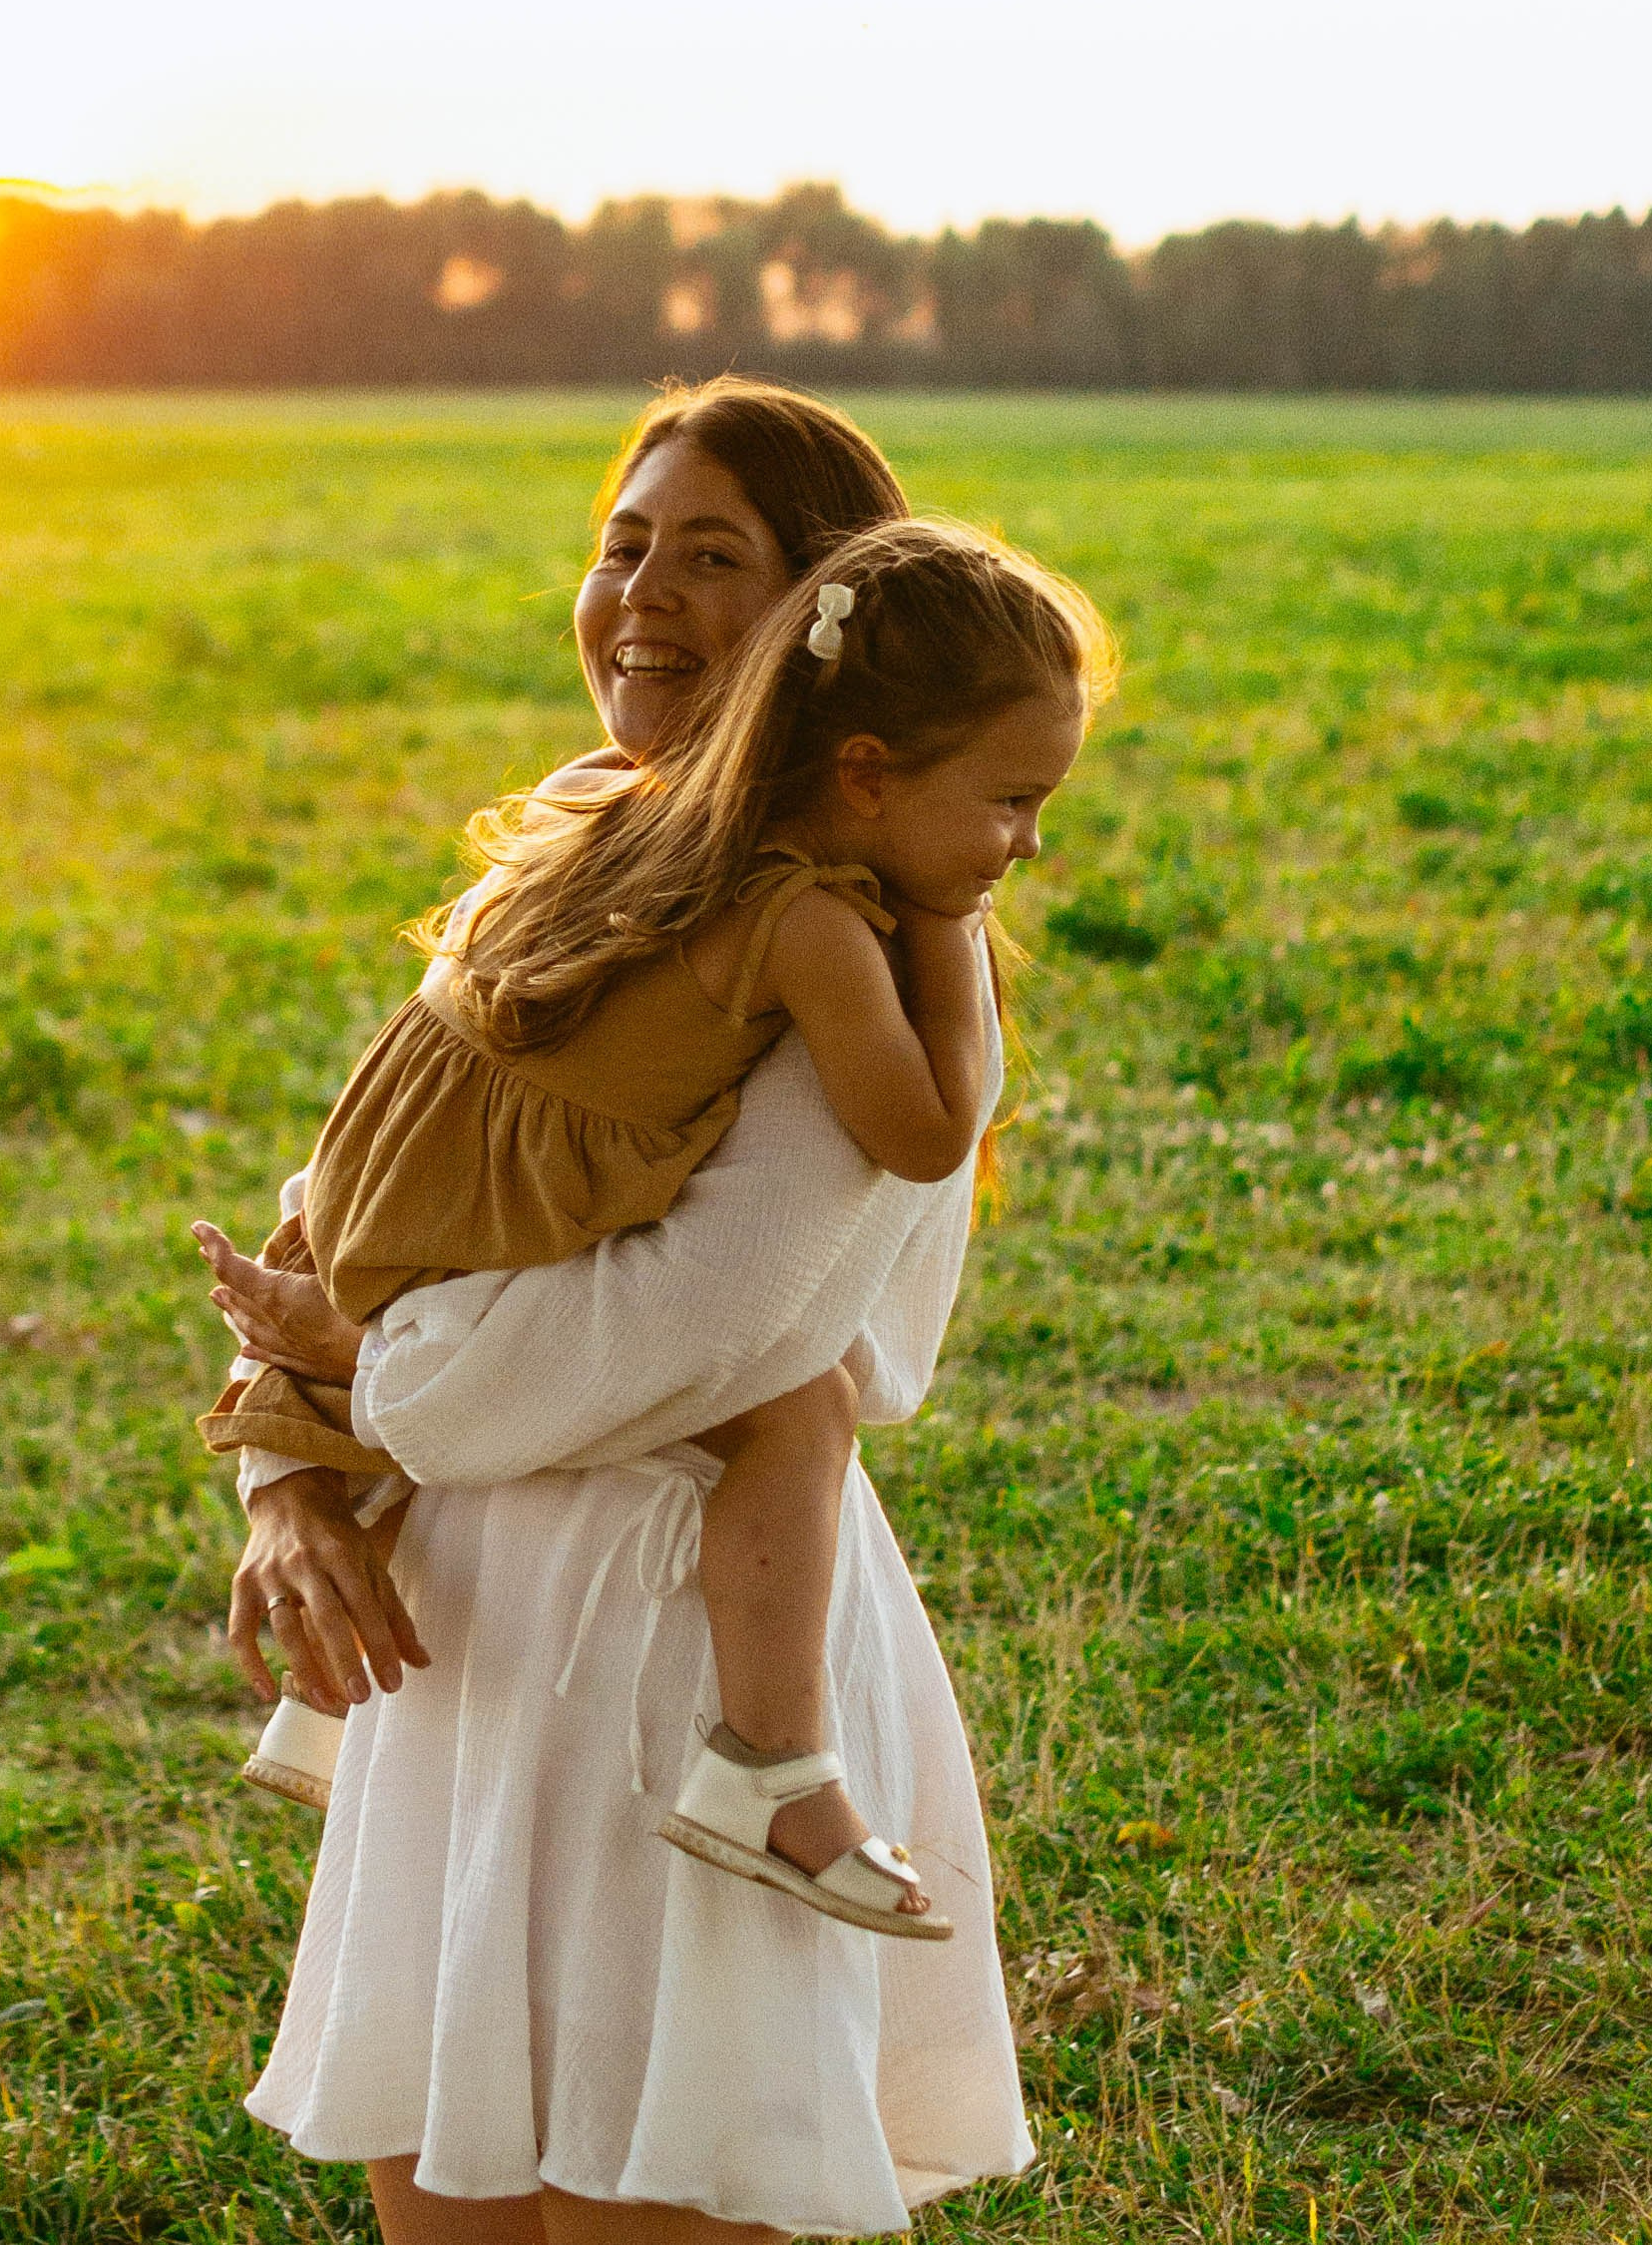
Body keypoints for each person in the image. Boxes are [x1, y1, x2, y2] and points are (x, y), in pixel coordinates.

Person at [208, 383, 1084, 2241]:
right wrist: (285, 1470)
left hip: (676, 1639)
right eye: (625, 542)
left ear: (836, 634)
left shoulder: (851, 934)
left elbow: (714, 1325)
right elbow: (361, 1196)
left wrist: (368, 1369)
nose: (645, 593)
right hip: (467, 1648)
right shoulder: (586, 845)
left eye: (715, 556)